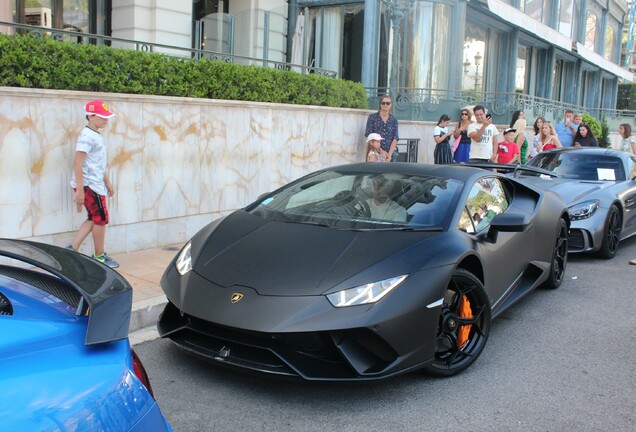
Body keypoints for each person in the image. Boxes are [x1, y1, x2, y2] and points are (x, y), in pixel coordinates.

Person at [68, 100, 119, 268]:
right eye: (102, 117)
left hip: (94, 184)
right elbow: (78, 163)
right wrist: (81, 191)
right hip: (90, 186)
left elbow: (95, 163)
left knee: (94, 218)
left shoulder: (94, 134)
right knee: (101, 219)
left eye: (107, 117)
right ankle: (99, 257)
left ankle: (72, 249)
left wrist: (107, 181)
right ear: (90, 116)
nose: (106, 120)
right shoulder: (87, 137)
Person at [365, 96, 399, 162]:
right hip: (375, 152)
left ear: (391, 105)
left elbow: (395, 137)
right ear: (380, 104)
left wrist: (389, 155)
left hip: (391, 153)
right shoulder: (372, 117)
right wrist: (381, 151)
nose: (385, 105)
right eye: (383, 103)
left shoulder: (393, 119)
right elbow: (368, 135)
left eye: (388, 103)